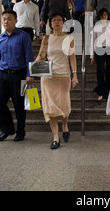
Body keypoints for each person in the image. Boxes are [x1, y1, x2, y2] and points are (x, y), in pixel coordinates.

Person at [35, 13, 79, 149]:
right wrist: (38, 60)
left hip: (64, 75)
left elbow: (72, 57)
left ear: (63, 22)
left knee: (64, 105)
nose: (56, 22)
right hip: (48, 77)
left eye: (59, 20)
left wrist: (75, 75)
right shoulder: (46, 38)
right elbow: (41, 55)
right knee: (50, 106)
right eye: (54, 20)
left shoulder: (69, 38)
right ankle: (55, 137)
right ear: (50, 23)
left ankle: (65, 125)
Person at [0, 10, 34, 142]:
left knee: (19, 105)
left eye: (9, 19)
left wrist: (29, 74)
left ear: (16, 21)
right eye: (4, 19)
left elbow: (29, 57)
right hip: (2, 75)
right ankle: (7, 129)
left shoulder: (23, 36)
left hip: (19, 75)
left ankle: (21, 131)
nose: (6, 21)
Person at [90, 8, 110, 104]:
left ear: (108, 16)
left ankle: (106, 92)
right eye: (102, 15)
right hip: (99, 49)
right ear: (99, 17)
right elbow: (92, 41)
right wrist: (92, 56)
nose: (104, 17)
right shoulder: (96, 26)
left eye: (105, 15)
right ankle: (101, 93)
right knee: (100, 70)